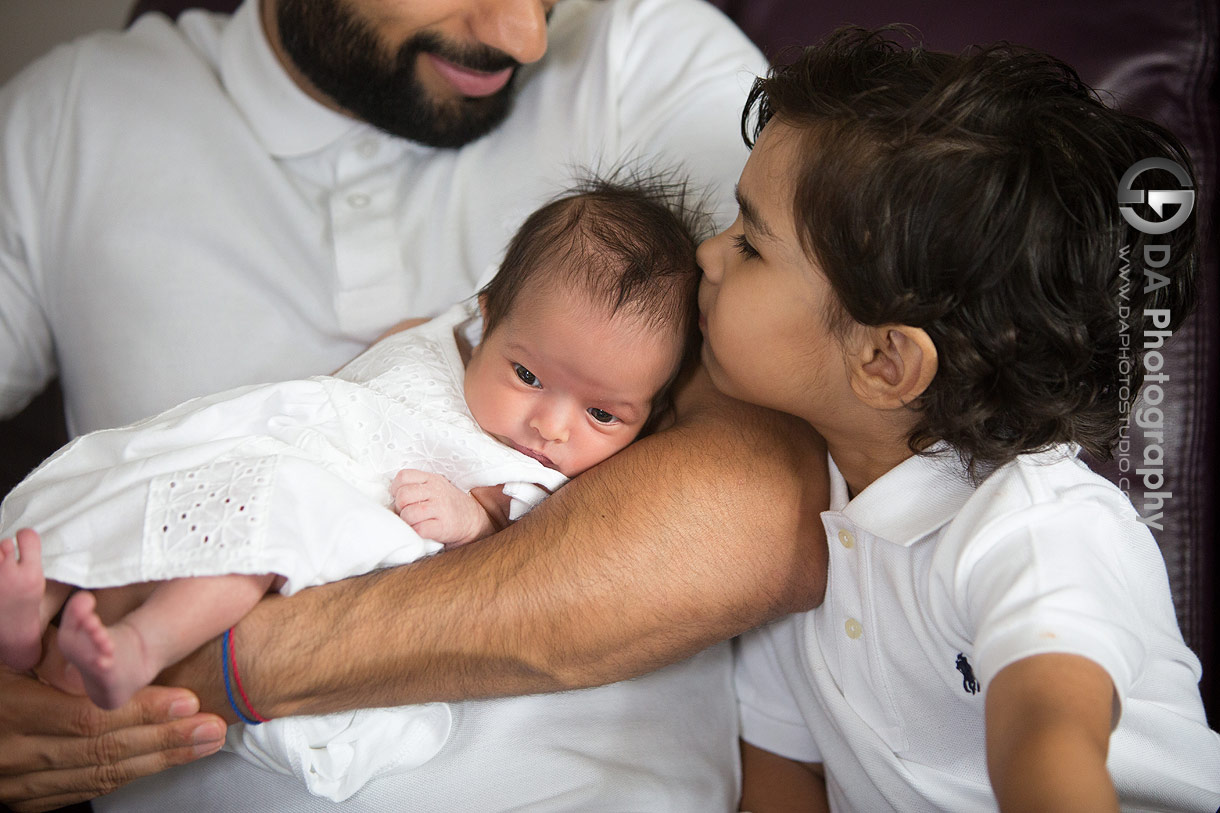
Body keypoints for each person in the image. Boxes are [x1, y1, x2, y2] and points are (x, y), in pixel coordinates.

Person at [0, 1, 832, 811]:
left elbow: (782, 499)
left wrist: (210, 665)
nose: (526, 36)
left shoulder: (646, 58)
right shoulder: (71, 115)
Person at [0, 175, 704, 802]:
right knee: (155, 483)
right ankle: (40, 606)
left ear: (651, 416)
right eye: (527, 375)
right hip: (301, 448)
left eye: (602, 413)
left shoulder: (545, 479)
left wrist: (469, 519)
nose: (550, 425)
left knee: (247, 544)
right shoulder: (442, 343)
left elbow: (511, 545)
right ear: (485, 317)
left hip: (322, 515)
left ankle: (138, 646)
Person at [701, 29, 1220, 811]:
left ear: (884, 362)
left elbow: (1047, 733)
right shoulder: (810, 515)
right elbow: (782, 763)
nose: (706, 253)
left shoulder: (1037, 529)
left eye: (749, 244)